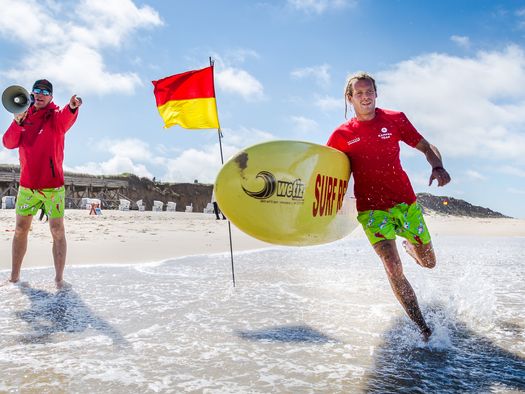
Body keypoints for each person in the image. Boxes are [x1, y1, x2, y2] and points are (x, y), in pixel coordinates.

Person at [327, 72, 451, 341]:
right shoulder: (341, 135)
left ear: (376, 93)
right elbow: (329, 173)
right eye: (358, 93)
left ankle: (410, 247)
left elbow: (426, 145)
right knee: (392, 267)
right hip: (371, 211)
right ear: (349, 99)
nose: (365, 96)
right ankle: (423, 327)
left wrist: (437, 166)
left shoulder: (395, 119)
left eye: (369, 91)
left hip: (405, 203)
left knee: (429, 263)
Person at [2, 79, 82, 288]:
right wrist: (17, 122)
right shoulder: (24, 117)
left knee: (57, 231)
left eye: (45, 92)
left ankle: (58, 280)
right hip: (27, 187)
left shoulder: (56, 118)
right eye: (36, 90)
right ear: (31, 94)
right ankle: (14, 277)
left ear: (51, 97)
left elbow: (67, 118)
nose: (40, 94)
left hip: (53, 188)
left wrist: (72, 107)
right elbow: (9, 143)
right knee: (20, 230)